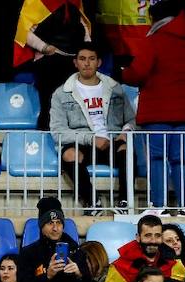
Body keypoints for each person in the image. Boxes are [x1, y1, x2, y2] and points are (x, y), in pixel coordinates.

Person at [126, 8, 185, 214]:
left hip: (157, 111)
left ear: (155, 18)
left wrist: (123, 73)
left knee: (157, 157)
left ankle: (158, 206)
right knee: (181, 158)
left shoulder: (154, 41)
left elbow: (137, 72)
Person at [50, 44, 134, 213]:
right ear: (75, 63)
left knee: (128, 150)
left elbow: (131, 119)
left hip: (111, 141)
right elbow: (58, 131)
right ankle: (92, 202)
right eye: (82, 59)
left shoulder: (115, 89)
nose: (87, 63)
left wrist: (127, 132)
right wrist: (90, 138)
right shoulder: (62, 93)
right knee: (68, 154)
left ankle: (124, 203)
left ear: (99, 62)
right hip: (83, 143)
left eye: (91, 59)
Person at [19, 0, 93, 131]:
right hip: (48, 61)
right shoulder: (36, 1)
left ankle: (72, 146)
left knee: (75, 107)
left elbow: (83, 25)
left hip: (74, 62)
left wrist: (87, 47)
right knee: (50, 106)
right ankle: (47, 145)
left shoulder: (75, 1)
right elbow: (24, 30)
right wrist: (44, 47)